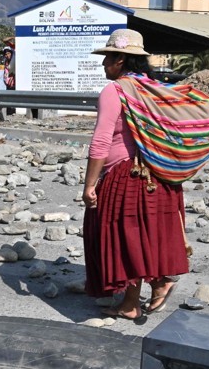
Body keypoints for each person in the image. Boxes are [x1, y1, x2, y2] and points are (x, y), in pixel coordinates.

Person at [81, 29, 189, 320]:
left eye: (107, 59)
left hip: (126, 173)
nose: (104, 65)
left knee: (121, 233)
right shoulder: (152, 88)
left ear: (121, 59)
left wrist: (90, 184)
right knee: (144, 234)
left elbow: (101, 141)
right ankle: (144, 293)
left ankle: (148, 291)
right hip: (159, 175)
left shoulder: (114, 91)